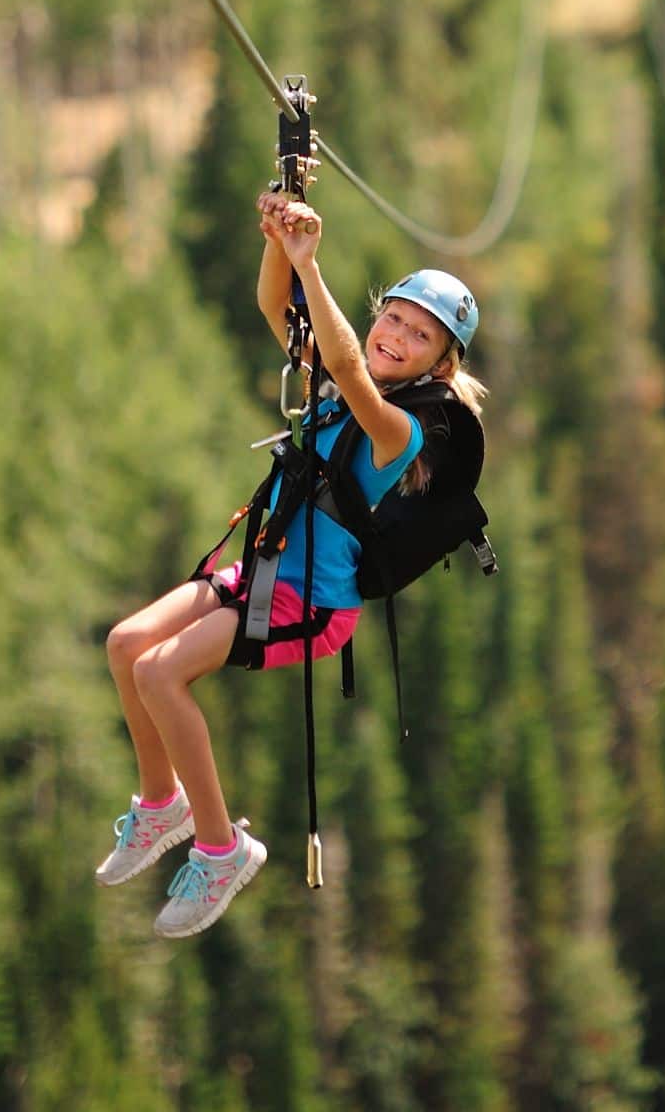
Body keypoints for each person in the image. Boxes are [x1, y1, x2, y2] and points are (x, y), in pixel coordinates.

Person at [94, 190, 486, 938]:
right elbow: (271, 300)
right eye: (395, 318)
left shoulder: (397, 429)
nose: (398, 336)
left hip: (313, 607)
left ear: (441, 363)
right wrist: (281, 235)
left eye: (420, 336)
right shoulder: (338, 385)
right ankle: (160, 805)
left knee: (158, 673)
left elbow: (342, 355)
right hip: (265, 576)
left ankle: (221, 850)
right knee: (125, 646)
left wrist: (312, 264)